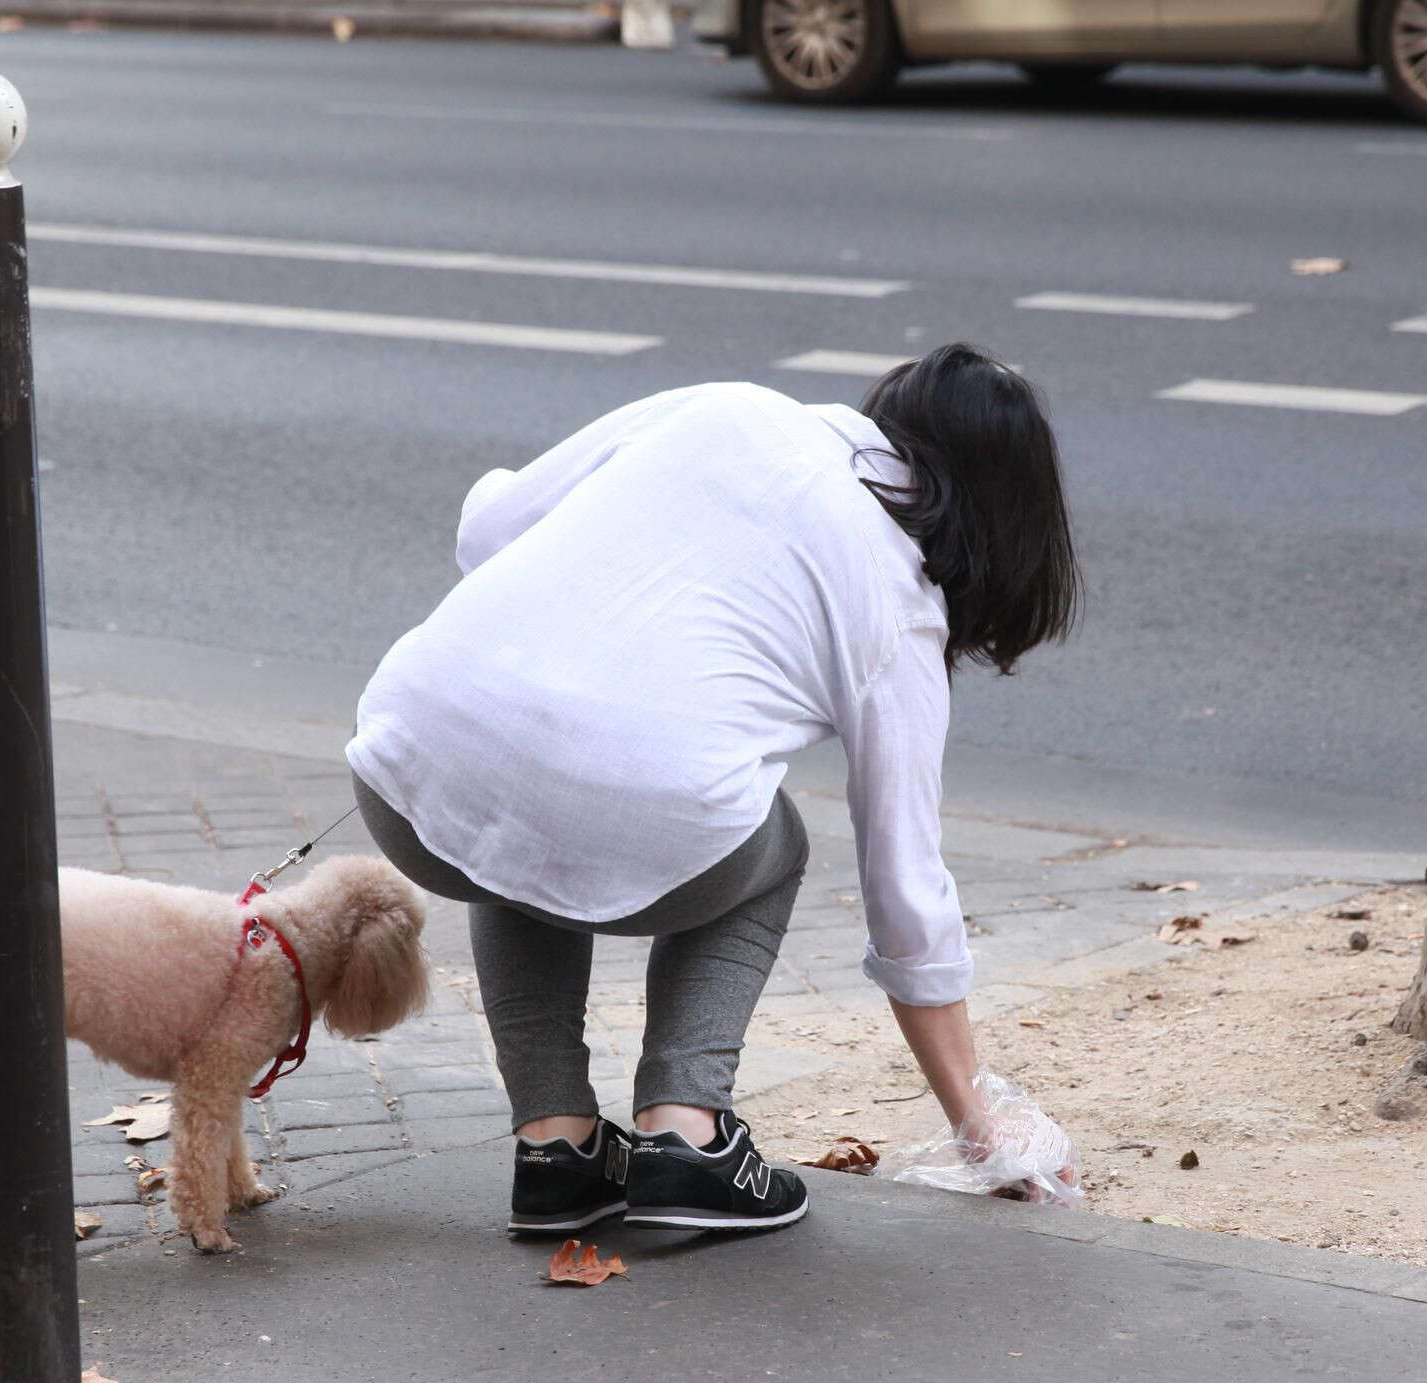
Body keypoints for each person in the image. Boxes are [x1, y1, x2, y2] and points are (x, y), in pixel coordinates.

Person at [347, 346, 1084, 1236]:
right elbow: (906, 887)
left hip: (405, 765)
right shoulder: (901, 603)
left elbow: (487, 528)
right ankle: (686, 1129)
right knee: (770, 846)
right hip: (605, 819)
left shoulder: (722, 407)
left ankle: (558, 1150)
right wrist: (975, 1120)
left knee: (527, 823)